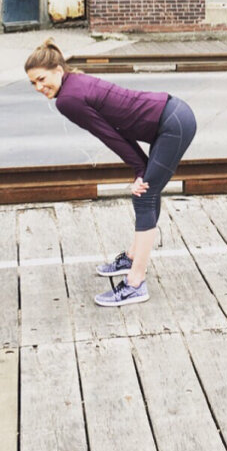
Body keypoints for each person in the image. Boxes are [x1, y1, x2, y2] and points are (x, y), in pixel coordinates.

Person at [25, 39, 196, 307]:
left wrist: (140, 169)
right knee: (148, 191)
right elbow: (115, 130)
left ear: (58, 70)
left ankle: (136, 282)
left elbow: (108, 136)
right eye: (33, 83)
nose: (38, 87)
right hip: (173, 115)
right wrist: (141, 167)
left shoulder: (68, 99)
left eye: (41, 79)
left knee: (144, 195)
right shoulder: (72, 84)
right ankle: (132, 256)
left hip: (172, 124)